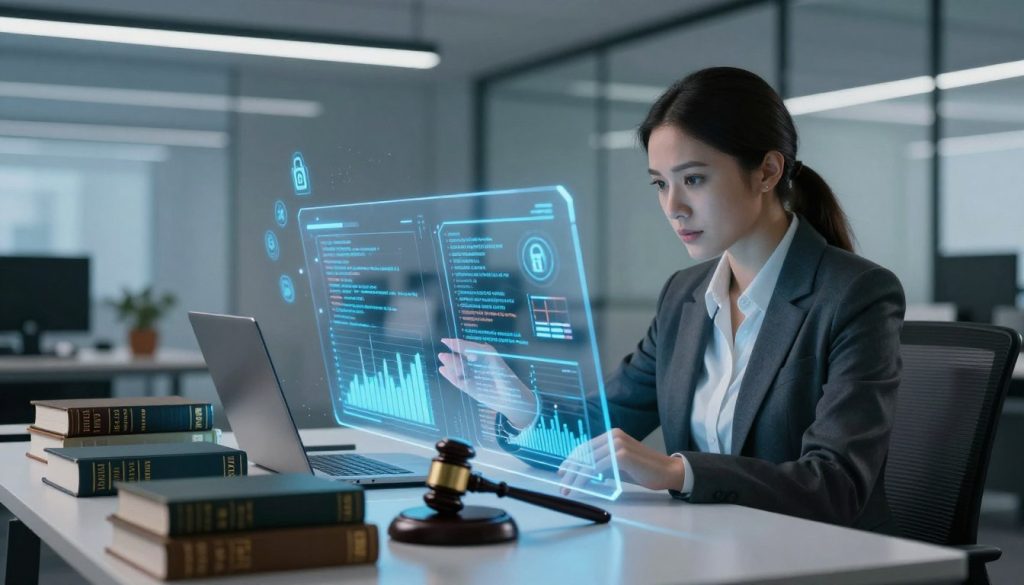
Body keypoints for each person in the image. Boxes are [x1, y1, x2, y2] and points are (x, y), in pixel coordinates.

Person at [438, 66, 905, 531]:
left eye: (694, 180)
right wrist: (519, 403)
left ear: (766, 171)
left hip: (816, 560)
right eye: (660, 183)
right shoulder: (684, 296)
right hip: (708, 549)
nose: (672, 207)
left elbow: (836, 484)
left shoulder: (854, 295)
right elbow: (606, 430)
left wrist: (676, 471)